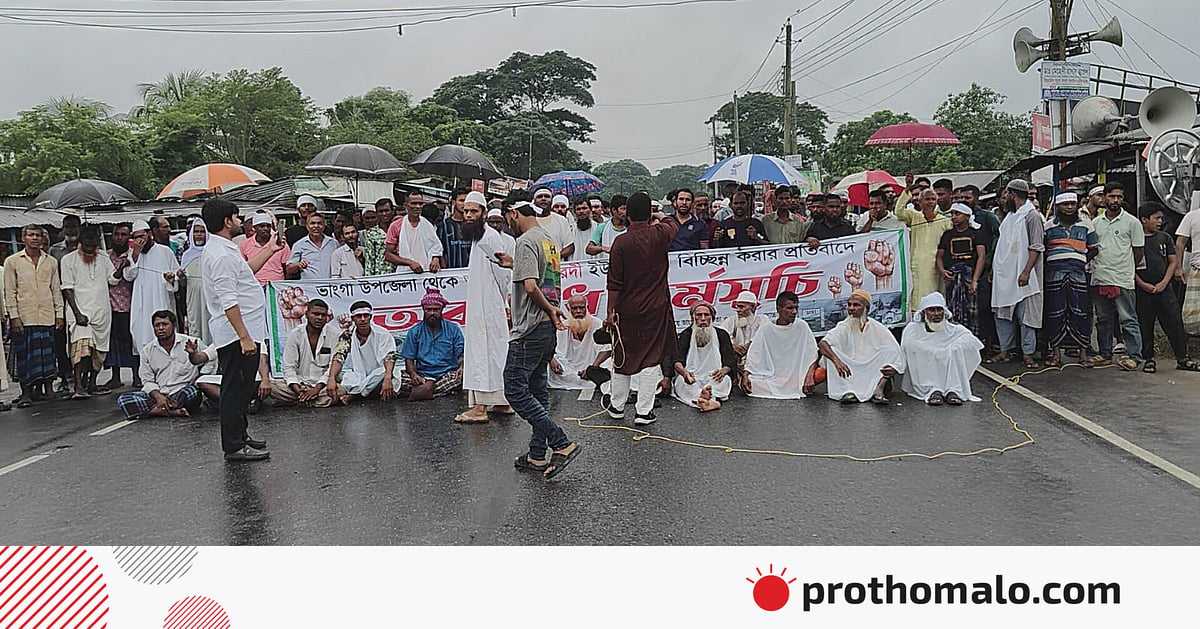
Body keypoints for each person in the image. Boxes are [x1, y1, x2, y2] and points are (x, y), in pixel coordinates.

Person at [502, 196, 583, 478]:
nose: (508, 225)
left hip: (531, 326)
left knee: (514, 389)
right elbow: (539, 276)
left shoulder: (525, 241)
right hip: (546, 329)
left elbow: (530, 286)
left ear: (513, 213)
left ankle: (561, 443)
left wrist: (549, 309)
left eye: (507, 219)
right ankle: (537, 455)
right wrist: (512, 264)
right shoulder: (548, 239)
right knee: (538, 391)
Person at [201, 198, 271, 463]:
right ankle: (233, 446)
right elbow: (228, 301)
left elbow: (246, 272)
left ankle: (241, 435)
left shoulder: (226, 249)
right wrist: (244, 337)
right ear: (227, 221)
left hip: (246, 330)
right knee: (234, 390)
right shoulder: (220, 255)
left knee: (243, 388)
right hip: (236, 335)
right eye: (237, 216)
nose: (241, 221)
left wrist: (271, 249)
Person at [603, 192, 678, 426]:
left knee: (622, 355)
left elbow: (614, 283)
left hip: (626, 308)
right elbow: (672, 223)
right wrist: (658, 214)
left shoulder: (620, 242)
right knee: (651, 358)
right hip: (655, 307)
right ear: (649, 213)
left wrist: (610, 312)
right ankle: (644, 412)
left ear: (628, 215)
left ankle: (617, 406)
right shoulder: (659, 234)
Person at [456, 191, 515, 423]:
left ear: (483, 213)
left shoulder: (489, 237)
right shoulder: (478, 237)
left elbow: (503, 273)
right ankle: (501, 402)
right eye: (466, 211)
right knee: (493, 351)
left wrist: (504, 302)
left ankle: (480, 408)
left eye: (474, 211)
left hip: (489, 305)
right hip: (482, 303)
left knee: (484, 351)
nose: (469, 215)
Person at [1135, 203, 1199, 373]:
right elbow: (1129, 265)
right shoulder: (1135, 238)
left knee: (1174, 322)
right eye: (1156, 218)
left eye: (1161, 218)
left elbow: (1172, 261)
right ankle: (1148, 359)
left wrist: (1164, 282)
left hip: (1165, 288)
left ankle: (1182, 358)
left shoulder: (1165, 238)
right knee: (1145, 324)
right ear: (1144, 219)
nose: (1160, 222)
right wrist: (1142, 284)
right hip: (1143, 289)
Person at [115, 310, 214, 419]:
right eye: (157, 325)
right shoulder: (147, 351)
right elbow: (147, 380)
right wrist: (158, 396)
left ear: (174, 326)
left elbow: (211, 358)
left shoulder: (191, 342)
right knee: (124, 400)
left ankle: (156, 410)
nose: (161, 328)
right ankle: (171, 412)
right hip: (158, 393)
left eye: (165, 324)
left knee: (193, 392)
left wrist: (202, 376)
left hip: (182, 392)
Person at [5, 226, 64, 407]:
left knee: (47, 356)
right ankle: (26, 393)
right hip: (25, 316)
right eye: (31, 235)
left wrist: (59, 314)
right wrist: (14, 316)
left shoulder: (51, 262)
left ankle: (48, 390)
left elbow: (56, 289)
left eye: (38, 235)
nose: (35, 238)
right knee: (25, 357)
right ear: (23, 238)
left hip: (46, 315)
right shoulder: (12, 261)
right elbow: (10, 291)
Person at [890, 292, 984, 405]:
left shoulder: (953, 329)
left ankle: (953, 390)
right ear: (924, 312)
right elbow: (907, 346)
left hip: (949, 364)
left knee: (955, 351)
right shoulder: (913, 329)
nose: (936, 314)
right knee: (923, 352)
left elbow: (971, 340)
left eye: (939, 310)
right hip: (924, 374)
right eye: (932, 310)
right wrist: (930, 350)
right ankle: (933, 390)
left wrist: (954, 347)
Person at [989, 180, 1044, 369]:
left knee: (1026, 316)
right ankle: (1005, 350)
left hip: (1025, 275)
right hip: (1005, 274)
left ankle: (1028, 354)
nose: (1004, 199)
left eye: (1006, 195)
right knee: (1003, 313)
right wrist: (994, 270)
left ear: (1013, 195)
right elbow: (1002, 246)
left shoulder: (1032, 216)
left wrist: (1026, 271)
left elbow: (1036, 246)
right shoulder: (1010, 216)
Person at [1089, 182, 1144, 370]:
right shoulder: (1095, 223)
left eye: (1119, 197)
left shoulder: (1132, 222)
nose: (1115, 200)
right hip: (1100, 277)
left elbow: (1138, 252)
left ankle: (1134, 356)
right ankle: (1105, 354)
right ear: (1104, 197)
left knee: (1128, 318)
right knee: (1103, 319)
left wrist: (1126, 268)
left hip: (1122, 278)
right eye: (1112, 196)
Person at [61, 225, 117, 399]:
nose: (91, 248)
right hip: (79, 313)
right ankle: (78, 386)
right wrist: (77, 313)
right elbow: (67, 288)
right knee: (81, 349)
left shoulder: (103, 257)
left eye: (94, 244)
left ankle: (92, 383)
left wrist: (122, 268)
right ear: (80, 242)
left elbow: (113, 280)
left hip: (101, 312)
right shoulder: (68, 260)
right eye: (87, 244)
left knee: (98, 352)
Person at [1042, 192, 1098, 366]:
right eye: (1065, 204)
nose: (1069, 207)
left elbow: (1094, 248)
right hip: (1054, 274)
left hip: (1078, 273)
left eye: (1072, 204)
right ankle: (1056, 355)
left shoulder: (1086, 224)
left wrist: (1079, 260)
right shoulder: (1048, 226)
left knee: (1081, 312)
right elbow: (1042, 250)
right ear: (1058, 207)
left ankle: (1083, 354)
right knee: (1054, 312)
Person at [818, 289, 901, 404]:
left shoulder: (877, 327)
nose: (851, 308)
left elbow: (895, 351)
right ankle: (847, 391)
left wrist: (893, 367)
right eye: (849, 305)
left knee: (889, 351)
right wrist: (837, 361)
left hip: (871, 369)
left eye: (856, 305)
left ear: (866, 308)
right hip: (849, 369)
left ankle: (878, 389)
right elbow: (823, 344)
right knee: (831, 351)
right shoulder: (844, 326)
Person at [741, 291, 819, 399]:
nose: (794, 312)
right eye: (790, 308)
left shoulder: (802, 326)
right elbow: (754, 355)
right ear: (778, 309)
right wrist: (745, 375)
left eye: (796, 308)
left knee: (820, 374)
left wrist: (809, 375)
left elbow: (813, 354)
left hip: (798, 375)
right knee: (750, 383)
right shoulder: (766, 329)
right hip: (772, 377)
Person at [125, 218, 179, 367]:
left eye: (142, 236)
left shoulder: (165, 251)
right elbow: (129, 276)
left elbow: (176, 274)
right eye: (136, 237)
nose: (140, 240)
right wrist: (136, 254)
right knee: (141, 331)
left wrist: (171, 278)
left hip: (161, 298)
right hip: (141, 302)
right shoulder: (133, 254)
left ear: (149, 234)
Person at [324, 301, 400, 404]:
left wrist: (387, 378)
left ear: (370, 317)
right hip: (358, 374)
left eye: (366, 316)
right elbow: (339, 356)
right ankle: (364, 392)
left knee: (386, 372)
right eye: (359, 316)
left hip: (379, 374)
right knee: (340, 374)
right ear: (353, 319)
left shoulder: (383, 334)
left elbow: (389, 356)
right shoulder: (348, 335)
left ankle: (355, 395)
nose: (363, 319)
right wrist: (331, 378)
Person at [271, 298, 339, 407]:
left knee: (339, 390)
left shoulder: (334, 334)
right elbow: (289, 367)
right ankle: (308, 399)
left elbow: (332, 368)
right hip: (300, 384)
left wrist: (317, 389)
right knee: (272, 386)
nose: (319, 318)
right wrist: (298, 390)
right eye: (315, 314)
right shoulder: (295, 334)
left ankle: (301, 401)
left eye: (323, 315)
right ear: (306, 314)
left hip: (322, 386)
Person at [397, 289, 464, 400]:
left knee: (460, 377)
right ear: (423, 310)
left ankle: (423, 391)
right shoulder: (414, 331)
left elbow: (461, 355)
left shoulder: (453, 329)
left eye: (436, 309)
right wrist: (413, 375)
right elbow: (409, 359)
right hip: (422, 376)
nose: (432, 313)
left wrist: (461, 367)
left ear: (442, 310)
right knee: (398, 378)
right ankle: (432, 391)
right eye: (429, 309)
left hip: (446, 375)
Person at [671, 302, 737, 411]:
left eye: (706, 315)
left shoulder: (722, 334)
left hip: (714, 376)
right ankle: (709, 399)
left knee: (724, 380)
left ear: (712, 318)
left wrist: (723, 371)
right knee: (682, 382)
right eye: (699, 315)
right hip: (692, 376)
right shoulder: (685, 334)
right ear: (693, 318)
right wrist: (684, 373)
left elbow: (730, 360)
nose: (703, 318)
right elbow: (677, 360)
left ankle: (702, 398)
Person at [935, 203, 986, 335]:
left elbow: (981, 257)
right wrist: (943, 271)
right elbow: (939, 256)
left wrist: (974, 280)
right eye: (952, 214)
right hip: (953, 277)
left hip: (969, 276)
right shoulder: (947, 235)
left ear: (967, 216)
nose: (953, 217)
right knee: (952, 307)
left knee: (971, 310)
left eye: (957, 214)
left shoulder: (976, 233)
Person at [549, 293, 612, 391]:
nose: (578, 311)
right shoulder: (563, 326)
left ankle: (589, 377)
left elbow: (606, 349)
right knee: (549, 364)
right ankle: (590, 380)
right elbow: (553, 348)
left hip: (593, 365)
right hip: (568, 368)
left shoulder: (597, 323)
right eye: (574, 308)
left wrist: (592, 368)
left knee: (609, 363)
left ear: (587, 308)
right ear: (569, 309)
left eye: (581, 308)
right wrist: (552, 359)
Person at [105, 223, 139, 389]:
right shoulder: (106, 256)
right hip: (111, 306)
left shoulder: (134, 255)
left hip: (131, 306)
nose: (119, 238)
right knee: (114, 344)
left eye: (123, 234)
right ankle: (115, 377)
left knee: (132, 342)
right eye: (117, 234)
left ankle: (136, 375)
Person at [385, 191, 443, 273]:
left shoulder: (427, 225)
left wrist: (435, 259)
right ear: (405, 205)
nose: (417, 206)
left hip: (426, 272)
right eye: (414, 203)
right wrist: (409, 263)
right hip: (405, 274)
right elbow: (388, 255)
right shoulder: (396, 226)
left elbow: (436, 246)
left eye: (420, 203)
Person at [177, 217, 212, 345]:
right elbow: (183, 284)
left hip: (210, 294)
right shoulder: (186, 255)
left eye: (202, 231)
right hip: (193, 297)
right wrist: (181, 277)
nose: (199, 235)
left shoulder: (211, 253)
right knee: (195, 325)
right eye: (196, 232)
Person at [240, 212, 290, 286]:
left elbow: (287, 268)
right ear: (254, 227)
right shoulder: (244, 245)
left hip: (277, 285)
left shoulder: (280, 244)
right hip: (255, 285)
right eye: (262, 226)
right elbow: (243, 268)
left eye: (268, 226)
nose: (265, 228)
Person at [286, 213, 336, 280]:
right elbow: (289, 269)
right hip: (309, 285)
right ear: (307, 226)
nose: (316, 226)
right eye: (312, 223)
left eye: (319, 223)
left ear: (324, 226)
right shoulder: (299, 245)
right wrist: (298, 265)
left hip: (330, 285)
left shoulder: (334, 243)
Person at [438, 187, 473, 269]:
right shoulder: (443, 226)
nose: (464, 204)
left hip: (471, 272)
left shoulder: (474, 225)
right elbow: (439, 250)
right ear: (454, 202)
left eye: (467, 201)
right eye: (461, 200)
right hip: (451, 273)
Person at [535, 190, 575, 260]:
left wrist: (552, 258)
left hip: (558, 264)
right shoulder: (529, 220)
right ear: (534, 201)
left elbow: (570, 247)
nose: (543, 198)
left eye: (547, 196)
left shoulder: (561, 220)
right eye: (539, 196)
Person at [587, 194, 628, 259]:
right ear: (614, 210)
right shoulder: (602, 227)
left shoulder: (631, 227)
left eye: (627, 209)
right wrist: (603, 248)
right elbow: (589, 249)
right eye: (623, 209)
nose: (625, 212)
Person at [362, 199, 394, 276]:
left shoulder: (400, 229)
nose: (384, 214)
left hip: (401, 274)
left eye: (386, 210)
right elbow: (370, 261)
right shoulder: (371, 233)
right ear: (377, 213)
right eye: (381, 211)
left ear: (392, 211)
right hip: (380, 276)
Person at [568, 196, 596, 261]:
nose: (581, 211)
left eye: (584, 208)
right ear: (574, 212)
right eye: (578, 209)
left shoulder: (598, 228)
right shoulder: (570, 229)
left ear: (590, 209)